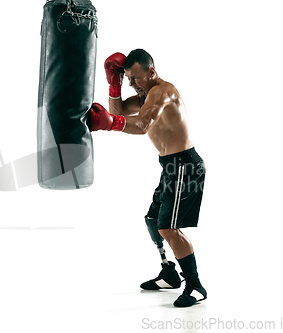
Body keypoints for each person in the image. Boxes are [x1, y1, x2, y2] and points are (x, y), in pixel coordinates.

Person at [88, 49, 207, 307]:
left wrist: (109, 124)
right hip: (170, 167)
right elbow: (117, 109)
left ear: (151, 72)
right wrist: (114, 84)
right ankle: (169, 274)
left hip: (186, 166)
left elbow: (141, 126)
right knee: (153, 220)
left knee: (168, 227)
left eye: (135, 78)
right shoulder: (144, 94)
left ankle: (195, 285)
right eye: (128, 78)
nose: (132, 84)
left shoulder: (163, 91)